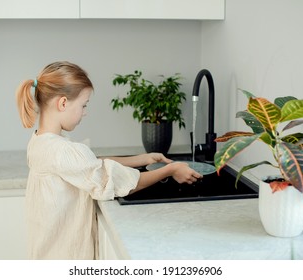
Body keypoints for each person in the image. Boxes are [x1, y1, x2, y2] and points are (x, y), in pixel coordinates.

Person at [15, 61, 202, 260]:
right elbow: (115, 181)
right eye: (83, 105)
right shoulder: (62, 151)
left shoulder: (41, 141)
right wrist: (169, 170)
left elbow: (90, 164)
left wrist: (139, 158)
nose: (85, 112)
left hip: (48, 253)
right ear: (62, 103)